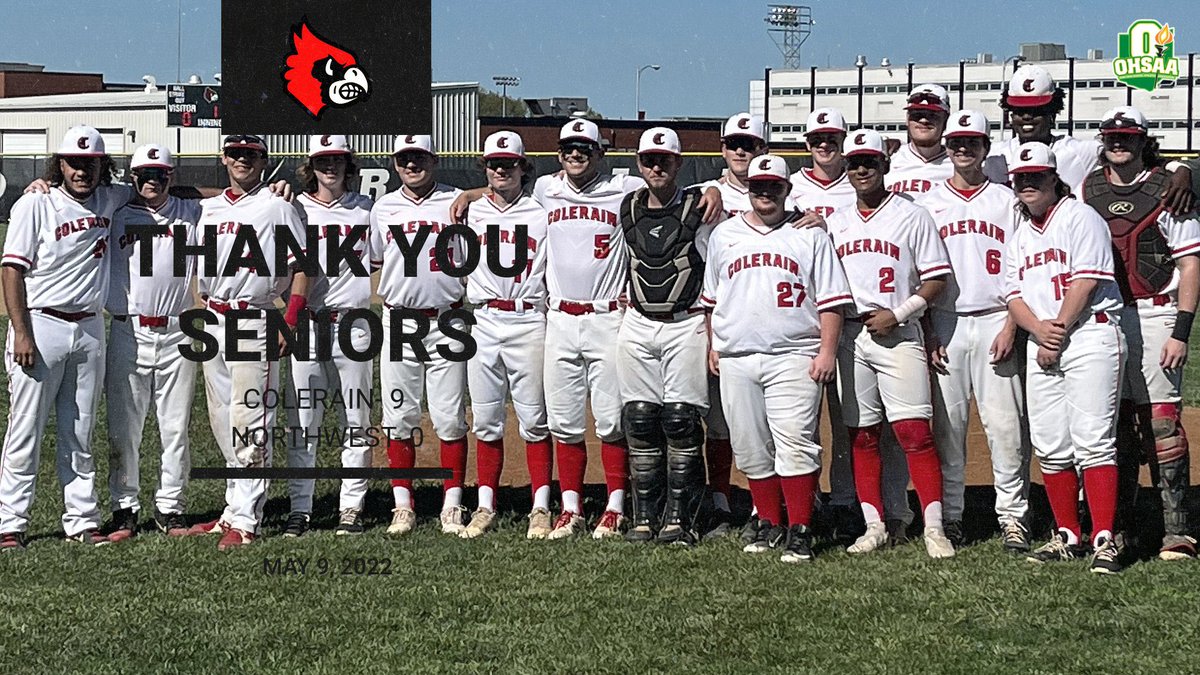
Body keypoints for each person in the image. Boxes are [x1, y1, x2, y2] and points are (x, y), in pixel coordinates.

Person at [449, 119, 723, 540]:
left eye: (585, 149)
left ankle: (615, 507)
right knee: (563, 421)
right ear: (557, 157)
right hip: (557, 317)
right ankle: (570, 507)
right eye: (568, 150)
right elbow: (500, 190)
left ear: (601, 154)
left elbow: (667, 186)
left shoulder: (623, 187)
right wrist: (471, 193)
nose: (576, 155)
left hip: (607, 317)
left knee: (613, 420)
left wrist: (713, 189)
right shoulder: (544, 190)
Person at [703, 154, 852, 562]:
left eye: (773, 186)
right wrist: (713, 345)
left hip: (794, 354)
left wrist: (827, 351)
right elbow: (712, 300)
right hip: (737, 356)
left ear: (788, 190)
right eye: (757, 187)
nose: (765, 193)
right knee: (750, 446)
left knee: (796, 443)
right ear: (747, 189)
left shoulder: (810, 235)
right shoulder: (725, 235)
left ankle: (800, 527)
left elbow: (832, 301)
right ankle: (769, 521)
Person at [824, 128, 955, 559]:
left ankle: (934, 526)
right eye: (855, 162)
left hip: (898, 332)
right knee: (862, 435)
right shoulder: (836, 220)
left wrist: (899, 314)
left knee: (914, 431)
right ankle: (874, 524)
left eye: (871, 162)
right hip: (850, 334)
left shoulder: (912, 214)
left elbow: (936, 279)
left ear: (885, 166)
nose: (862, 169)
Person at [0, 126, 130, 549]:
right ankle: (11, 522)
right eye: (74, 162)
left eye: (90, 164)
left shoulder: (111, 198)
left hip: (90, 328)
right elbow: (11, 270)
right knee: (26, 429)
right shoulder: (36, 202)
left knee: (80, 430)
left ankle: (82, 519)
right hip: (42, 325)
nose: (82, 171)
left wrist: (263, 190)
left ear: (102, 166)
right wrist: (22, 332)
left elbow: (163, 186)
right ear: (59, 164)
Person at [1081, 107, 1200, 561]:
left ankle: (1177, 531)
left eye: (1128, 137)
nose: (1119, 144)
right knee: (1116, 423)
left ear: (1142, 141)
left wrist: (1181, 331)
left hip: (1155, 314)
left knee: (1163, 423)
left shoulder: (1168, 189)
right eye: (1112, 136)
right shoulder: (1088, 187)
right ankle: (1121, 524)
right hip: (1106, 315)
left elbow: (1190, 263)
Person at [1004, 142, 1126, 574]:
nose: (1028, 183)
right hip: (1045, 338)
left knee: (1093, 440)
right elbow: (1013, 294)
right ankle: (1068, 534)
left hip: (1090, 332)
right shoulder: (1019, 235)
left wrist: (1052, 332)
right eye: (1021, 177)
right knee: (1052, 445)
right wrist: (1038, 331)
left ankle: (1106, 537)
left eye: (1036, 176)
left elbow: (1087, 280)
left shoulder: (1081, 217)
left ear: (1054, 178)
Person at [185, 134, 310, 550]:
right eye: (235, 154)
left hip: (254, 315)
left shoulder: (277, 205)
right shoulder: (209, 209)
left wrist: (288, 319)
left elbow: (301, 267)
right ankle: (231, 509)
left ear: (263, 160)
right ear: (224, 158)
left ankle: (247, 518)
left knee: (250, 419)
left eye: (250, 155)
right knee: (222, 418)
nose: (242, 160)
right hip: (215, 316)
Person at [914, 111, 1031, 552]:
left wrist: (1010, 324)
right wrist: (928, 330)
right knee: (949, 429)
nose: (964, 150)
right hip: (946, 321)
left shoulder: (1006, 199)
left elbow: (1022, 267)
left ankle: (1013, 516)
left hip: (997, 318)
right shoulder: (927, 202)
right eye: (957, 142)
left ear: (986, 148)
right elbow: (917, 273)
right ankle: (952, 516)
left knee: (1005, 427)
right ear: (947, 146)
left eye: (973, 143)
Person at [369, 134, 470, 536]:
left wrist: (475, 192)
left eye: (419, 157)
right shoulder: (383, 207)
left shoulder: (458, 200)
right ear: (395, 164)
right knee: (398, 416)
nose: (412, 165)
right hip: (399, 319)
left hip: (448, 317)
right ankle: (402, 506)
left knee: (449, 417)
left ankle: (452, 504)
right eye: (404, 159)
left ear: (435, 159)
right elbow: (377, 260)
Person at [103, 143, 202, 542]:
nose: (151, 181)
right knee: (124, 428)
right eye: (144, 174)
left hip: (179, 329)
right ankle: (124, 507)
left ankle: (170, 507)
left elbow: (229, 198)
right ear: (132, 177)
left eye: (159, 174)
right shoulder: (113, 214)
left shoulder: (192, 211)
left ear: (171, 177)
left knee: (175, 427)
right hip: (129, 329)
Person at [618, 127, 712, 546]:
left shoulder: (701, 206)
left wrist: (715, 189)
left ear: (679, 163)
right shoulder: (628, 203)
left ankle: (681, 517)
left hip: (684, 319)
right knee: (639, 418)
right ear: (638, 164)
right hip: (638, 320)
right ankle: (644, 515)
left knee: (680, 419)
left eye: (665, 160)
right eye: (648, 160)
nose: (656, 167)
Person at [281, 134, 375, 537]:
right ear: (311, 166)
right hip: (308, 321)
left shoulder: (368, 209)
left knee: (356, 417)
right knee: (304, 420)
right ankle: (300, 508)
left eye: (337, 160)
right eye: (323, 161)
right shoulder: (292, 207)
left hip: (353, 322)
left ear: (349, 165)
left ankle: (351, 507)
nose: (330, 167)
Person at [462, 131, 553, 539]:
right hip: (483, 319)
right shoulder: (470, 212)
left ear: (523, 167)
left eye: (509, 163)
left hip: (527, 319)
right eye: (493, 163)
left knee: (534, 419)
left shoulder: (542, 210)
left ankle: (540, 505)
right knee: (485, 419)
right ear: (485, 168)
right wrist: (471, 193)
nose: (501, 169)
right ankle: (485, 505)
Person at [787, 107, 865, 545]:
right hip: (801, 318)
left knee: (846, 419)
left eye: (832, 138)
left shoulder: (856, 184)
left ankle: (846, 501)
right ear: (807, 143)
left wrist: (830, 223)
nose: (824, 145)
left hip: (850, 316)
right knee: (801, 422)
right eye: (817, 138)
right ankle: (809, 500)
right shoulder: (791, 186)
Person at [985, 64, 1196, 214]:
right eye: (1019, 110)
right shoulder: (993, 155)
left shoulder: (1079, 151)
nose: (1027, 116)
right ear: (1009, 114)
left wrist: (1182, 170)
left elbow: (1136, 154)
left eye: (1037, 109)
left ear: (1053, 112)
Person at [887, 84, 954, 196]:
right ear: (907, 119)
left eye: (932, 115)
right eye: (917, 115)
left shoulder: (960, 163)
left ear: (946, 121)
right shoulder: (888, 159)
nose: (923, 120)